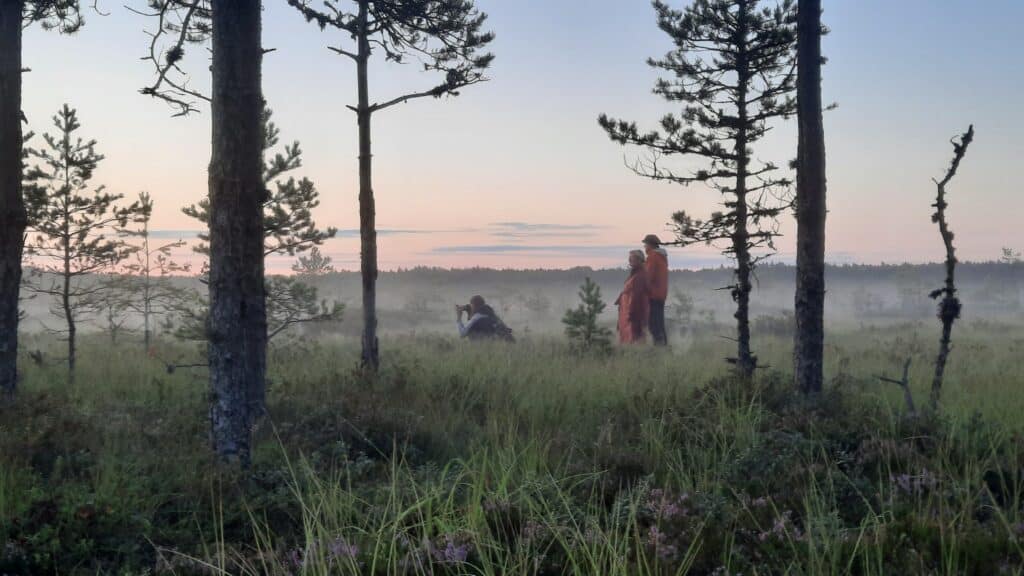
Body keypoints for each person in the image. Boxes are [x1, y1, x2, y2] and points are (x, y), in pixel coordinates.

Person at [615, 250, 650, 344]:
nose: (629, 260)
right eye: (629, 258)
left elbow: (636, 296)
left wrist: (631, 312)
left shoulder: (640, 275)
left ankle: (635, 354)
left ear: (639, 260)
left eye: (632, 258)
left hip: (633, 310)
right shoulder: (636, 273)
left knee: (634, 335)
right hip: (627, 309)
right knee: (629, 335)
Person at [643, 234, 669, 346]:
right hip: (661, 294)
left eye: (645, 245)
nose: (645, 248)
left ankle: (659, 348)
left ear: (650, 245)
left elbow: (648, 276)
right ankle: (663, 347)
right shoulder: (662, 257)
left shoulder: (653, 257)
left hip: (653, 295)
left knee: (653, 324)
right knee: (659, 323)